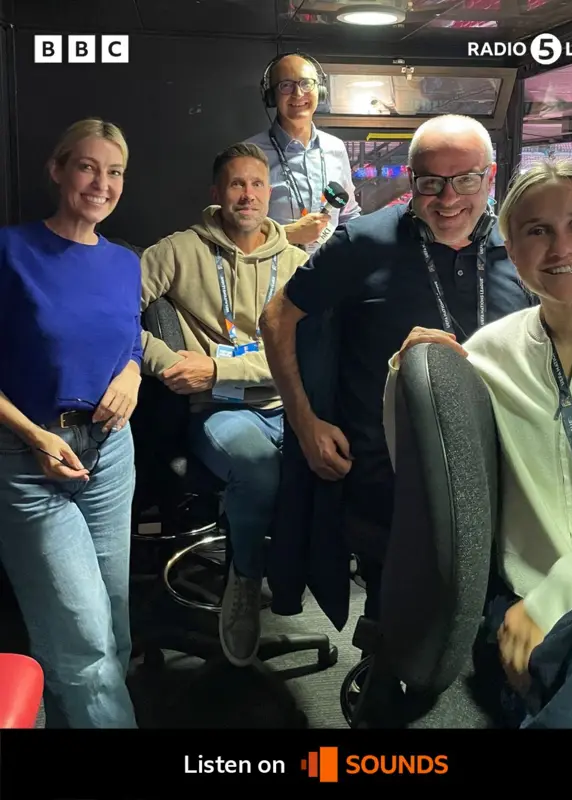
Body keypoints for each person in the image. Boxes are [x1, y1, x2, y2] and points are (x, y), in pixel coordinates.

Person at [386, 159, 572, 727]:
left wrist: (568, 589)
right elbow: (428, 478)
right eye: (537, 230)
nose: (561, 246)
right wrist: (407, 372)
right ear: (511, 247)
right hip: (537, 604)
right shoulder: (487, 354)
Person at [260, 114, 535, 622]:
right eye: (431, 182)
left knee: (493, 624)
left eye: (466, 180)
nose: (448, 199)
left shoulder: (520, 249)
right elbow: (276, 317)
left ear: (490, 178)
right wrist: (304, 423)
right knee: (401, 626)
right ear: (412, 181)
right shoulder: (362, 243)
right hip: (388, 484)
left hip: (500, 476)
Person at [139, 142, 308, 667]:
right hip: (220, 411)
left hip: (290, 405)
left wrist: (219, 367)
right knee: (257, 468)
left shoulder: (299, 262)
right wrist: (165, 360)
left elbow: (310, 351)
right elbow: (112, 315)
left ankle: (299, 577)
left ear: (270, 193)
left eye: (257, 184)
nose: (248, 194)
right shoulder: (179, 250)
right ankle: (244, 581)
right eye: (237, 183)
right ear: (217, 193)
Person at [0, 118, 141, 728]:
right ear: (57, 170)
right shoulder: (10, 250)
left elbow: (129, 340)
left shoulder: (124, 262)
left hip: (110, 454)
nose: (100, 183)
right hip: (27, 456)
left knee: (112, 624)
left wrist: (132, 374)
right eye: (87, 166)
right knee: (83, 641)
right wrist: (33, 435)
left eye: (113, 172)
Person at [247, 52, 361, 252]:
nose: (298, 93)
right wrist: (289, 233)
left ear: (321, 91)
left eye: (306, 83)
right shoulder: (250, 155)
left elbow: (348, 215)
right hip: (275, 277)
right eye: (286, 85)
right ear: (272, 96)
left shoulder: (336, 148)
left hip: (329, 275)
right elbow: (235, 231)